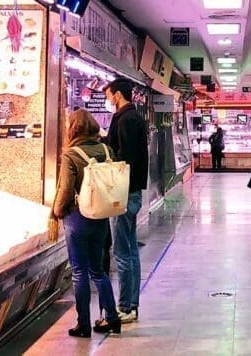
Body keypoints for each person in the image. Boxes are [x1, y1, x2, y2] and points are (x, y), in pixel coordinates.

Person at [51, 109, 121, 337]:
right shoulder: (106, 149)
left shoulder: (71, 155)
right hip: (101, 216)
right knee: (98, 271)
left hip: (78, 218)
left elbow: (65, 190)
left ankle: (83, 324)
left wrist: (56, 212)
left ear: (73, 129)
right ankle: (112, 318)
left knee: (79, 273)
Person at [102, 78, 148, 324]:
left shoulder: (126, 119)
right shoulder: (134, 118)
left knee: (122, 251)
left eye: (109, 95)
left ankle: (127, 307)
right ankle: (131, 304)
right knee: (129, 250)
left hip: (123, 193)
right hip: (130, 191)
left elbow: (124, 158)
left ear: (118, 94)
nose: (108, 99)